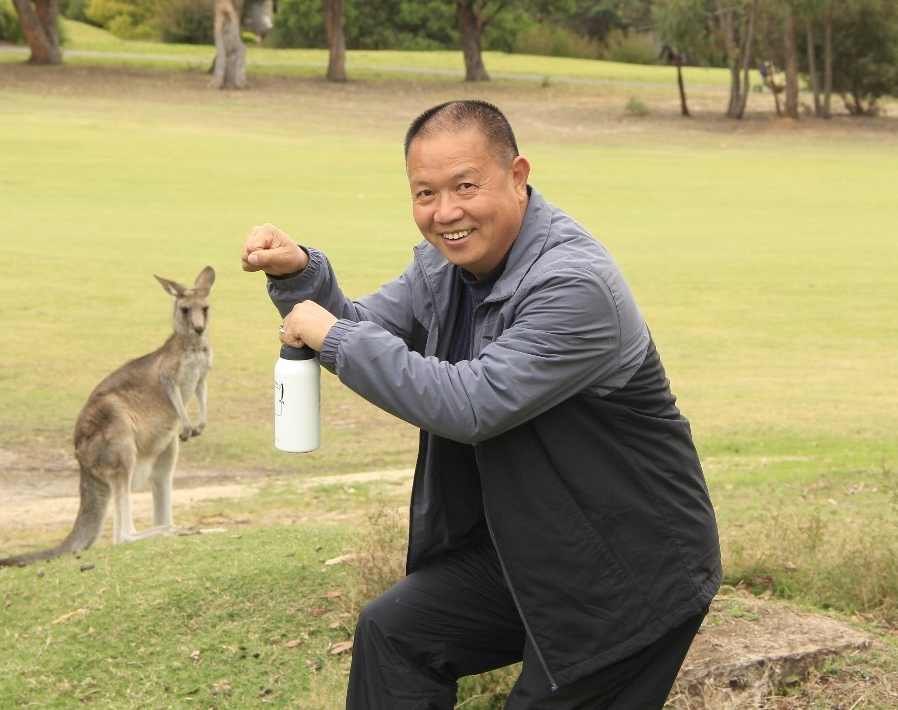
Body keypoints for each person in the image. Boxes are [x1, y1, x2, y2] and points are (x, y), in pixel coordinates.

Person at [241, 100, 720, 709]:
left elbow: (469, 404)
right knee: (394, 633)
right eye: (425, 193)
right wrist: (302, 277)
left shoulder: (574, 285)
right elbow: (365, 328)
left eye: (465, 186)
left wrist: (332, 337)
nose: (446, 213)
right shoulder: (444, 269)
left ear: (517, 176)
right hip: (528, 551)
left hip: (626, 571)